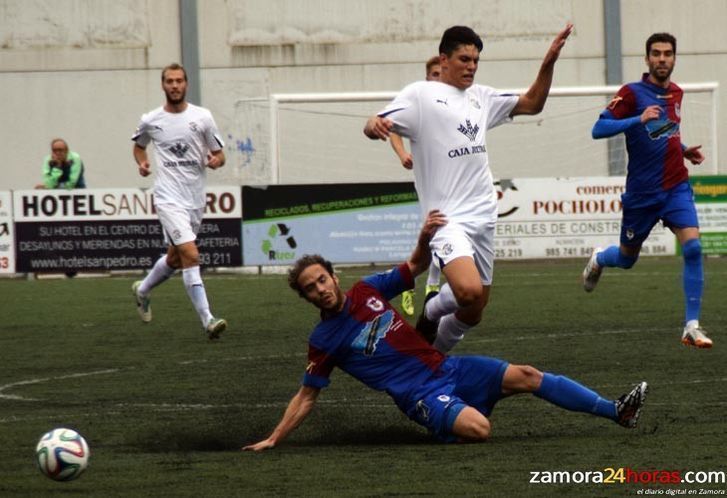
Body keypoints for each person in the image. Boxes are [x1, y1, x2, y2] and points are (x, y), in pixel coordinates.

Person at [242, 210, 648, 451]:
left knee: (528, 375)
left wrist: (423, 237)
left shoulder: (367, 289)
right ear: (306, 297)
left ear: (334, 275)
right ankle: (443, 421)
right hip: (418, 393)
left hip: (446, 369)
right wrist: (275, 437)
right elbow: (306, 395)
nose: (320, 289)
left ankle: (616, 411)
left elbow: (414, 268)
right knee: (480, 430)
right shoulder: (323, 341)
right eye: (311, 288)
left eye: (322, 279)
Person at [363, 24, 573, 353]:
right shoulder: (421, 95)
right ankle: (430, 315)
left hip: (484, 216)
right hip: (447, 219)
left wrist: (549, 62)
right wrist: (373, 124)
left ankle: (431, 359)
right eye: (464, 59)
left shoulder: (481, 97)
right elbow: (375, 122)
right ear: (444, 59)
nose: (472, 66)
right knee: (469, 291)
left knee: (474, 311)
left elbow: (533, 103)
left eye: (476, 60)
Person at [582, 33, 711, 349]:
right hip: (641, 194)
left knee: (693, 249)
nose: (662, 59)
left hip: (676, 186)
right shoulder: (631, 94)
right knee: (627, 260)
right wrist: (637, 118)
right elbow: (598, 129)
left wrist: (681, 149)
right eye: (656, 53)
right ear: (647, 59)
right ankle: (600, 257)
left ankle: (691, 326)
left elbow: (663, 132)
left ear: (674, 58)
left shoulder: (677, 93)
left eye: (668, 53)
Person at [130, 63, 228, 339]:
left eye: (179, 81)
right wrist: (143, 162)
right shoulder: (151, 119)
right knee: (191, 254)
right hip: (167, 197)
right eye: (169, 81)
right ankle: (208, 319)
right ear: (163, 85)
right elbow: (138, 146)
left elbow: (220, 153)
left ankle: (143, 289)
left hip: (195, 199)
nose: (174, 85)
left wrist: (215, 161)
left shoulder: (203, 117)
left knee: (175, 257)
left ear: (186, 84)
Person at [391, 56, 443, 317]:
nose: (439, 78)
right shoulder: (419, 104)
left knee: (439, 234)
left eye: (441, 73)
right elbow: (392, 128)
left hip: (455, 183)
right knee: (434, 231)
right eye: (434, 74)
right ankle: (418, 282)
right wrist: (402, 154)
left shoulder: (458, 102)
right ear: (427, 77)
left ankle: (427, 284)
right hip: (430, 183)